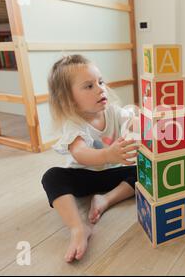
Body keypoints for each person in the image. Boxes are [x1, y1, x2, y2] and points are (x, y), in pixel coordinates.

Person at [41, 55, 139, 263]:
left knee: (144, 170)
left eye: (100, 82)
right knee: (52, 176)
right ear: (68, 99)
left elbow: (132, 120)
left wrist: (139, 120)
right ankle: (78, 227)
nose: (100, 88)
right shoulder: (73, 124)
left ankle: (106, 199)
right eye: (88, 86)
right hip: (84, 176)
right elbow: (80, 153)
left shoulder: (111, 111)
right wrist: (107, 154)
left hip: (113, 172)